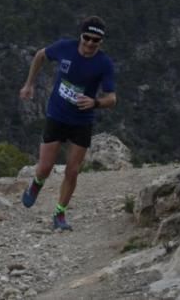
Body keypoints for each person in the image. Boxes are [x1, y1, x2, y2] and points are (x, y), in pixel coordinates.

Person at [18, 15, 116, 230]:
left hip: (82, 120)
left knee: (72, 171)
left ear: (101, 42)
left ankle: (60, 214)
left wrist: (95, 102)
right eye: (87, 38)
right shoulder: (65, 47)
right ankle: (36, 183)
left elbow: (112, 98)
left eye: (95, 40)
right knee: (45, 167)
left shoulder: (104, 63)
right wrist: (29, 84)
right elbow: (40, 55)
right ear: (80, 36)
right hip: (57, 115)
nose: (90, 43)